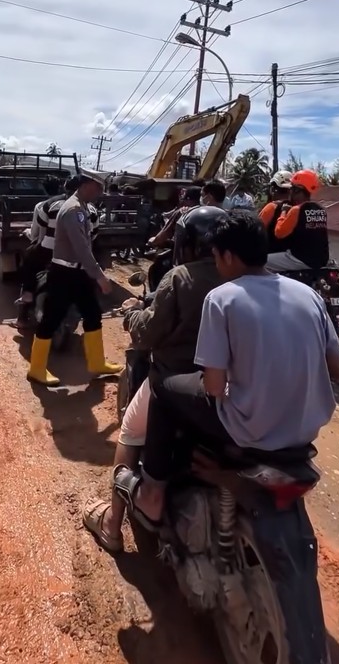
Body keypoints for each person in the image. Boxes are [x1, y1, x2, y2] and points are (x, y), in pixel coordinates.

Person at [113, 210, 339, 530]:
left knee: (163, 388)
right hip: (307, 429)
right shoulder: (308, 295)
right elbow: (338, 371)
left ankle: (145, 499)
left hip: (247, 428)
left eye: (218, 255)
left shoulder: (221, 296)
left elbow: (212, 385)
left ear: (228, 255)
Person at [82, 205, 226, 553]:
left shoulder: (180, 277)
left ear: (187, 244)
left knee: (130, 433)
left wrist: (132, 314)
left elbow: (147, 334)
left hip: (177, 380)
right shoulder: (241, 277)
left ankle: (112, 527)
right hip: (230, 390)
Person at [27, 172, 121, 387]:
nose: (100, 194)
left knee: (92, 314)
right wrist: (99, 276)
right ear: (87, 185)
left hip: (77, 273)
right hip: (64, 273)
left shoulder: (82, 208)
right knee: (51, 319)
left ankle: (97, 364)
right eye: (98, 189)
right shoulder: (72, 210)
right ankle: (36, 369)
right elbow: (81, 248)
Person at [19, 175, 100, 315]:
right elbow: (94, 234)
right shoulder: (91, 209)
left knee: (28, 260)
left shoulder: (47, 204)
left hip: (50, 252)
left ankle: (27, 296)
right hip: (79, 256)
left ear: (65, 187)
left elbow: (39, 234)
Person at [266, 169, 329, 272]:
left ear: (298, 190)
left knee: (261, 263)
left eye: (292, 188)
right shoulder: (320, 209)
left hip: (300, 258)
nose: (289, 191)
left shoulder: (296, 209)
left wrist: (284, 212)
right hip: (321, 260)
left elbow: (279, 233)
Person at [259, 170, 293, 252]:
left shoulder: (271, 207)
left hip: (270, 254)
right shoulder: (296, 207)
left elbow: (257, 231)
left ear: (273, 189)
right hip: (291, 254)